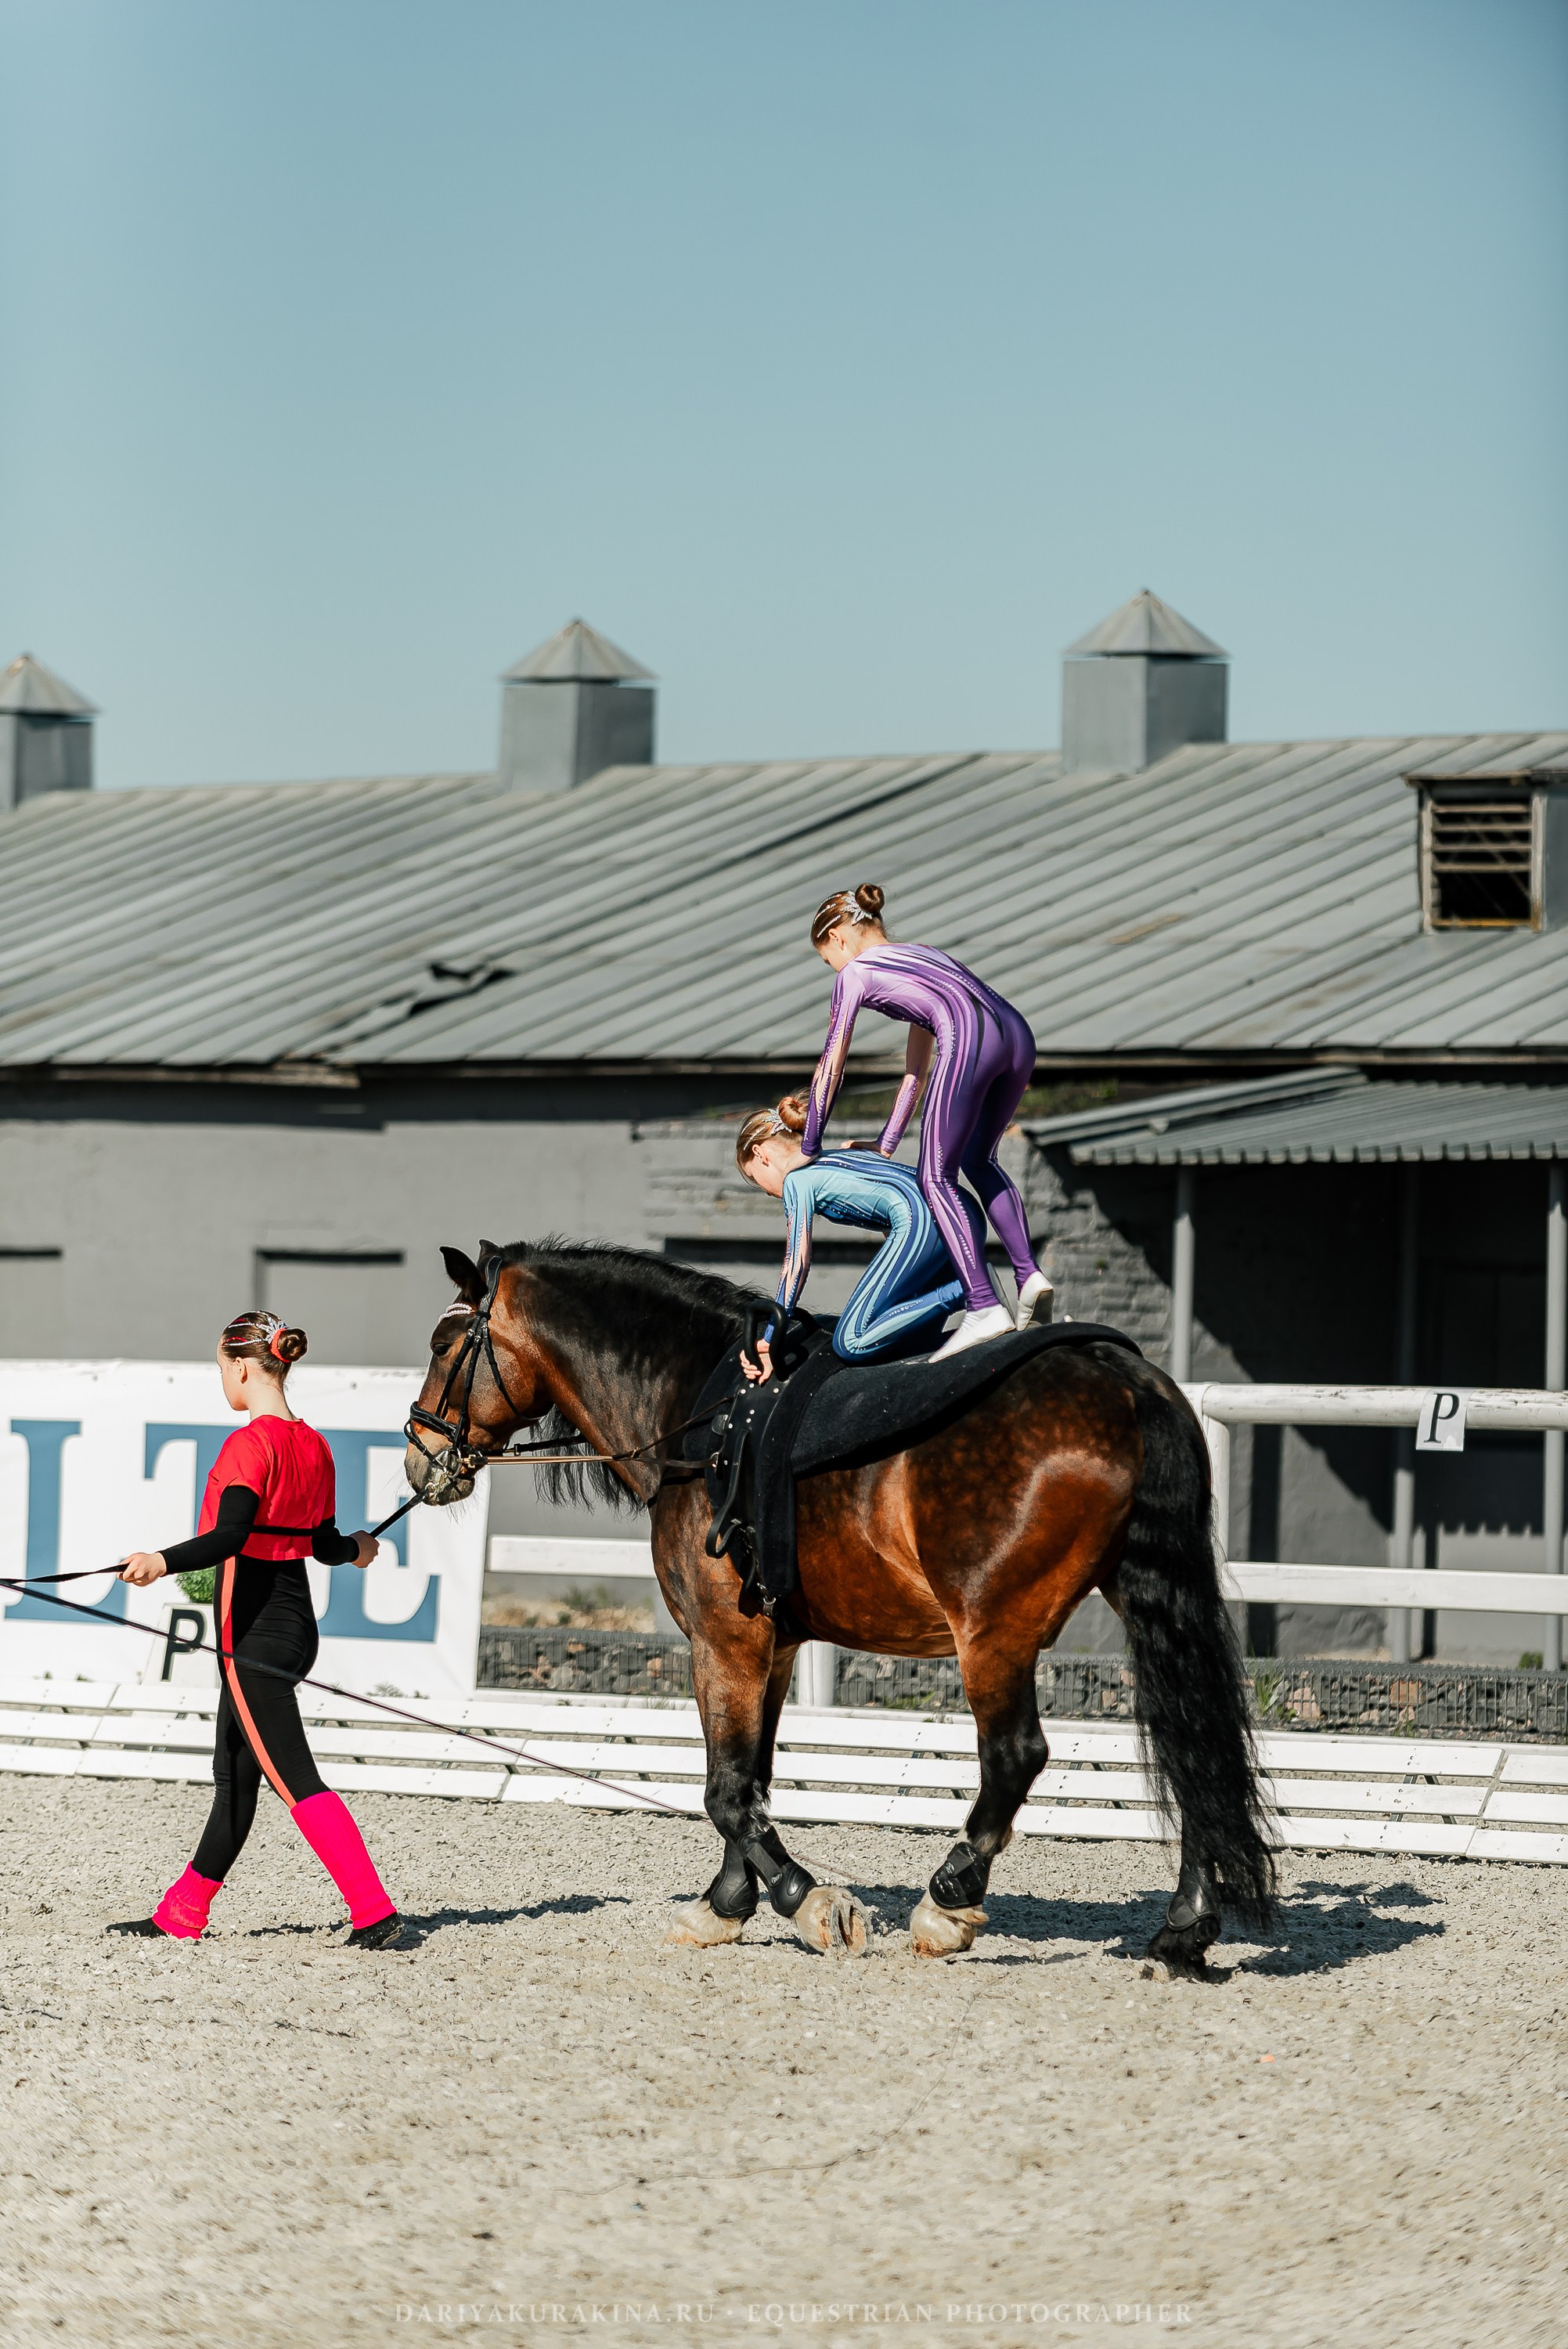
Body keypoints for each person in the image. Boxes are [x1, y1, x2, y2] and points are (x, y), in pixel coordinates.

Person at [108, 1310, 403, 1950]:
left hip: (254, 1633)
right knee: (235, 1776)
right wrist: (356, 1549)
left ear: (241, 1366)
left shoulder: (250, 1443)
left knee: (294, 1777)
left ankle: (374, 1910)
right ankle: (181, 1913)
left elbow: (231, 1537)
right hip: (295, 1623)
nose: (223, 1379)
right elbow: (321, 1542)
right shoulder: (315, 1444)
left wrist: (161, 1561)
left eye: (221, 1368)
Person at [798, 882, 1051, 1359]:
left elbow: (832, 1063)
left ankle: (982, 1304)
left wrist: (810, 1143)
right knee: (978, 1158)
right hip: (1016, 1033)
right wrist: (887, 1143)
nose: (832, 968)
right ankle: (1029, 1276)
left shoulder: (854, 974)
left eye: (826, 958)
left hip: (971, 1035)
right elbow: (916, 1067)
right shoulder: (925, 955)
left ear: (838, 937)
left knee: (934, 1177)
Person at [735, 1098, 966, 1378]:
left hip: (923, 1219)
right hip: (958, 1209)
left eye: (756, 1179)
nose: (769, 1192)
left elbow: (797, 1264)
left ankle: (970, 1291)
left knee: (851, 1341)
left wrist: (772, 1340)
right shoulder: (837, 1157)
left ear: (761, 1154)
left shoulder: (797, 1180)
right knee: (906, 1343)